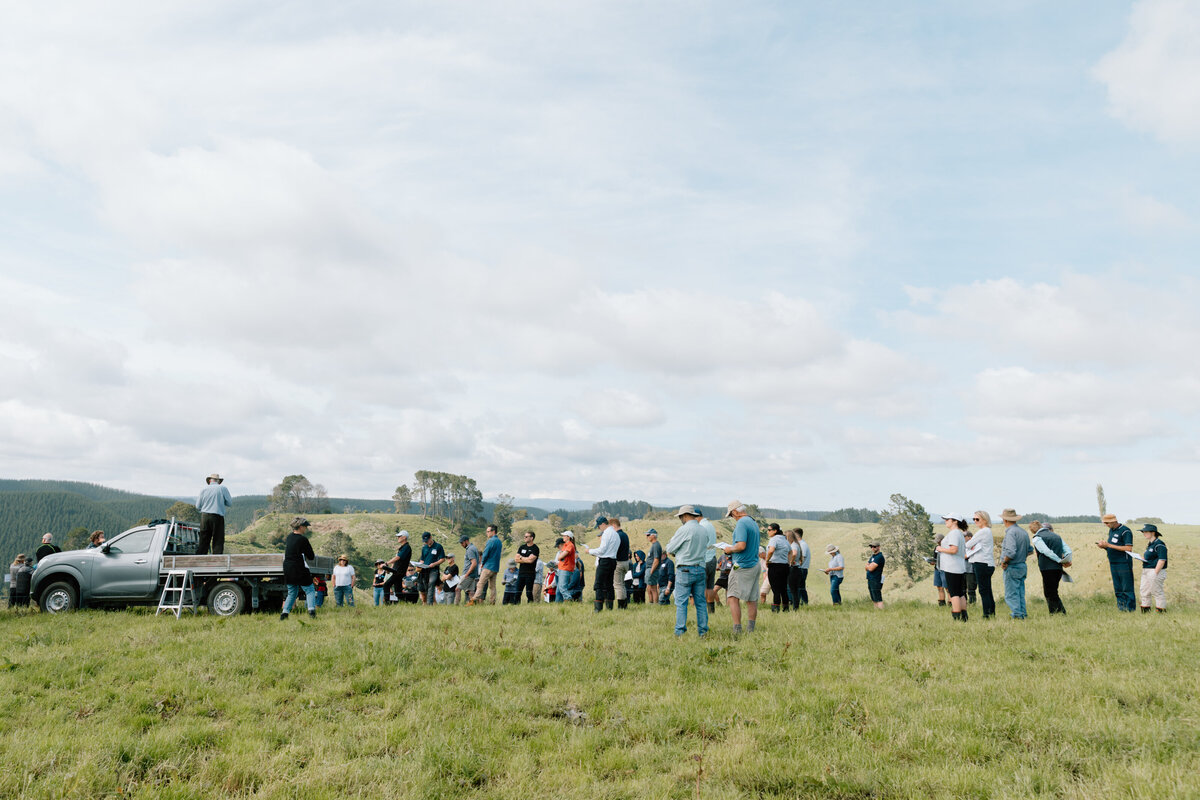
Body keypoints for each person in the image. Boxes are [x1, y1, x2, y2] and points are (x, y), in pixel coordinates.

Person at [664, 505, 710, 637]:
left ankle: (680, 632)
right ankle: (703, 632)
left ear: (684, 516)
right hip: (700, 567)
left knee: (681, 602)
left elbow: (670, 548)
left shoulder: (683, 530)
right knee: (700, 602)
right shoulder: (703, 530)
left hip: (685, 568)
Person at [721, 501, 761, 635]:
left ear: (735, 512)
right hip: (755, 563)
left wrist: (729, 549)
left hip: (742, 566)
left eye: (732, 516)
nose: (733, 518)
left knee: (732, 597)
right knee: (751, 599)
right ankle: (751, 629)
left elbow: (741, 546)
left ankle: (737, 629)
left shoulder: (742, 523)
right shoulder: (752, 522)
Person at [1097, 513, 1136, 612]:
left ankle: (1130, 610)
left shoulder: (1125, 531)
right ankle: (1122, 609)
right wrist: (1104, 547)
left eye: (1107, 523)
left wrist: (1109, 545)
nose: (1106, 525)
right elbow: (1112, 547)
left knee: (1127, 588)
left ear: (1114, 521)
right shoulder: (1111, 531)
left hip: (1123, 563)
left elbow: (1128, 548)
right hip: (1113, 563)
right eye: (1105, 523)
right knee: (1118, 588)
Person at [281, 517, 318, 620]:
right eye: (305, 526)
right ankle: (311, 612)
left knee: (292, 592)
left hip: (287, 567)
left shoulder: (289, 537)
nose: (306, 529)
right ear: (300, 527)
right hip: (299, 567)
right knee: (310, 590)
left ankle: (284, 614)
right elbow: (311, 556)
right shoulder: (303, 539)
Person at [1031, 522, 1071, 615]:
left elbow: (1045, 551)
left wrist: (1058, 560)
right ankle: (1057, 612)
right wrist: (1067, 560)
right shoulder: (1057, 536)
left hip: (1046, 567)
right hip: (1058, 568)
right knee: (1053, 590)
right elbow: (1067, 550)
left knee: (1049, 592)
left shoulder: (1037, 538)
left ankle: (1058, 612)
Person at [998, 509, 1031, 620]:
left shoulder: (1011, 532)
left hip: (1012, 566)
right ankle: (1023, 613)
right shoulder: (1023, 532)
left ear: (1005, 519)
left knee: (1011, 594)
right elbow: (1030, 550)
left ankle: (1017, 615)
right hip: (1022, 565)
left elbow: (1011, 552)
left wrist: (1004, 562)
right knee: (1020, 592)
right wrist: (1022, 557)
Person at [936, 515, 969, 621]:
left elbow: (953, 550)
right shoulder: (959, 533)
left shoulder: (954, 533)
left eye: (947, 520)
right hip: (959, 566)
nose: (945, 521)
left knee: (954, 592)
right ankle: (964, 615)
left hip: (952, 567)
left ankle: (956, 616)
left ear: (955, 521)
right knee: (960, 592)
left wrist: (940, 548)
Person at [966, 511, 996, 619]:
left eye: (977, 519)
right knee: (987, 589)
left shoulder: (982, 532)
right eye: (973, 519)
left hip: (981, 563)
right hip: (988, 563)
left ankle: (986, 614)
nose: (975, 521)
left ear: (985, 520)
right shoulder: (988, 531)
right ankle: (991, 612)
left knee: (983, 590)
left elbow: (968, 544)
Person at [586, 516, 620, 613]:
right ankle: (610, 606)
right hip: (613, 561)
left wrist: (590, 551)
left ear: (603, 524)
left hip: (605, 561)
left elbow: (602, 550)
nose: (598, 528)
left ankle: (598, 608)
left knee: (599, 584)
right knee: (609, 584)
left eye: (599, 526)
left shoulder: (606, 533)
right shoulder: (615, 533)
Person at [196, 473, 233, 555]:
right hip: (217, 516)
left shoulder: (203, 489)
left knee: (203, 539)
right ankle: (217, 561)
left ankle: (199, 560)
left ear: (209, 480)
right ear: (219, 481)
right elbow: (229, 503)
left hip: (204, 516)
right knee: (218, 540)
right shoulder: (223, 488)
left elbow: (197, 506)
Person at [1138, 524, 1168, 613]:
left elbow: (1162, 560)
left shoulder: (1160, 544)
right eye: (1143, 532)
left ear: (1153, 533)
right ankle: (1145, 611)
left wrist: (1155, 572)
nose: (1144, 533)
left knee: (1157, 592)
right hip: (1146, 570)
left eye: (1146, 532)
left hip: (1155, 571)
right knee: (1144, 591)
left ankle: (1161, 612)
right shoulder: (1151, 544)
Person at [471, 525, 503, 605]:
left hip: (488, 566)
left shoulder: (490, 541)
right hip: (495, 567)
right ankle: (492, 602)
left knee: (480, 584)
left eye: (488, 531)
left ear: (493, 531)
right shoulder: (499, 542)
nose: (487, 533)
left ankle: (474, 600)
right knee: (492, 586)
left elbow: (485, 553)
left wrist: (482, 563)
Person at [764, 523, 791, 613]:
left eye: (769, 530)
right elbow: (790, 552)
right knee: (783, 588)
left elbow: (771, 550)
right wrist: (789, 562)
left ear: (775, 531)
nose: (768, 532)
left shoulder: (774, 539)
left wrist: (767, 560)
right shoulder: (785, 539)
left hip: (775, 565)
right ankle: (786, 607)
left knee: (775, 589)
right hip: (785, 566)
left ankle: (776, 608)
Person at [696, 511, 719, 613]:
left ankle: (703, 610)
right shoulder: (710, 525)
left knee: (702, 586)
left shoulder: (701, 527)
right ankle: (711, 609)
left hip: (704, 559)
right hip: (712, 558)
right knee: (710, 586)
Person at [415, 532, 445, 606]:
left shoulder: (438, 546)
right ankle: (429, 603)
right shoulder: (424, 548)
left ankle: (429, 603)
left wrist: (434, 564)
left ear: (431, 537)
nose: (426, 542)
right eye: (425, 541)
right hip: (425, 570)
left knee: (431, 583)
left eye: (427, 540)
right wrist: (419, 565)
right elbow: (422, 559)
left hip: (434, 570)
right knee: (425, 585)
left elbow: (442, 559)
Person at [384, 531, 411, 605]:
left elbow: (398, 557)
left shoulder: (406, 547)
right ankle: (406, 603)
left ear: (404, 537)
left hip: (399, 572)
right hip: (397, 571)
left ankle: (387, 604)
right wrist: (390, 568)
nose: (398, 538)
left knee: (386, 585)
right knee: (398, 591)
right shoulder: (403, 548)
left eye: (399, 536)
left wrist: (387, 563)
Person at [515, 531, 540, 604]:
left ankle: (530, 606)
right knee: (517, 592)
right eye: (524, 536)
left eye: (526, 536)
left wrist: (521, 558)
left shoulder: (535, 548)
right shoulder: (522, 547)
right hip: (521, 573)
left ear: (531, 538)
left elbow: (531, 561)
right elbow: (516, 559)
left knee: (528, 593)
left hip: (530, 574)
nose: (524, 538)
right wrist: (526, 558)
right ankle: (516, 607)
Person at [788, 528, 810, 608]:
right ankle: (802, 603)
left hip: (801, 568)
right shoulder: (800, 544)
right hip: (800, 568)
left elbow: (801, 557)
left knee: (799, 588)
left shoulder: (801, 544)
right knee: (800, 588)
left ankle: (803, 603)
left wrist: (791, 562)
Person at [613, 522, 631, 609]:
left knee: (617, 585)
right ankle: (624, 604)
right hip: (625, 562)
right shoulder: (625, 535)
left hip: (619, 562)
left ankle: (621, 606)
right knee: (622, 584)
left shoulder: (617, 536)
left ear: (614, 525)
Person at [555, 532, 577, 603]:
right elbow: (560, 555)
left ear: (568, 537)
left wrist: (560, 556)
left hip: (566, 568)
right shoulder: (566, 545)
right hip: (562, 568)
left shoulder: (570, 545)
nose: (563, 537)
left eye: (564, 536)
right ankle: (567, 600)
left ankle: (569, 600)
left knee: (562, 587)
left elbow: (560, 556)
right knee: (561, 587)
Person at [459, 535, 480, 605]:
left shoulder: (470, 549)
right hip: (473, 574)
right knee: (471, 592)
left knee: (458, 589)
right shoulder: (473, 548)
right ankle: (473, 605)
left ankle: (455, 605)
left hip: (469, 574)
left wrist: (467, 574)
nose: (461, 545)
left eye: (462, 543)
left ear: (466, 541)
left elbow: (474, 563)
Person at [645, 529, 662, 605]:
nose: (647, 536)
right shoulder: (654, 545)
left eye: (648, 535)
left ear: (653, 535)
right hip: (650, 568)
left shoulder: (656, 545)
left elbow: (656, 559)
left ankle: (655, 604)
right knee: (649, 587)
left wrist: (651, 571)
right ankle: (651, 603)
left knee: (653, 588)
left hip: (652, 569)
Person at [865, 542, 885, 609]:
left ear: (878, 547)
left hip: (876, 579)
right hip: (870, 578)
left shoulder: (879, 557)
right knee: (873, 596)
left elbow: (870, 568)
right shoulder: (873, 557)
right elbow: (866, 567)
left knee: (877, 596)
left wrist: (869, 566)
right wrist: (869, 566)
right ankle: (876, 610)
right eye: (871, 547)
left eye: (874, 547)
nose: (872, 548)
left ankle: (881, 610)